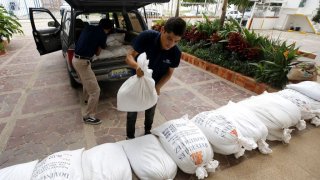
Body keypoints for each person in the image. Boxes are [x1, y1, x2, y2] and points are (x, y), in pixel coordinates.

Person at [125, 17, 186, 139]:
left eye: (176, 41)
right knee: (132, 112)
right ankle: (130, 137)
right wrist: (137, 66)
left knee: (150, 111)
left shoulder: (175, 53)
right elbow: (128, 57)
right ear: (163, 30)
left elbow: (169, 73)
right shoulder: (146, 37)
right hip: (137, 81)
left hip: (153, 85)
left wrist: (158, 86)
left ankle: (148, 132)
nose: (171, 44)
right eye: (169, 38)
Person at [73, 18, 114, 125]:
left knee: (86, 82)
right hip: (83, 62)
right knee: (95, 91)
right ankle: (88, 116)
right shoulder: (102, 35)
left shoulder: (88, 27)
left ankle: (87, 99)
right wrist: (100, 45)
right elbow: (98, 53)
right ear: (109, 29)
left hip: (75, 60)